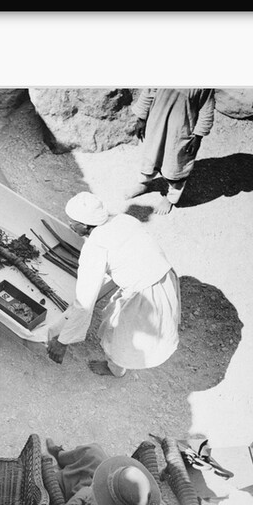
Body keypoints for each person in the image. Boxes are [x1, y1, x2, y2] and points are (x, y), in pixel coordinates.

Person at [46, 192, 181, 377]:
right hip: (165, 276)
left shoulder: (95, 248)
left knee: (121, 334)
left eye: (72, 222)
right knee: (135, 324)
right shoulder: (123, 219)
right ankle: (117, 365)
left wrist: (63, 341)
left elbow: (84, 303)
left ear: (85, 225)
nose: (70, 225)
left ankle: (116, 368)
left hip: (145, 292)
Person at [126, 88, 215, 215]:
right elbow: (150, 91)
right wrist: (141, 119)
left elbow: (206, 108)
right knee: (150, 155)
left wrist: (198, 136)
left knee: (176, 164)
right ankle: (144, 183)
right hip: (156, 122)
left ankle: (171, 198)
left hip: (181, 130)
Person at [45, 438, 168, 505]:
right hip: (106, 493)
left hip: (84, 495)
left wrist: (86, 491)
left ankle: (61, 458)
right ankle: (61, 455)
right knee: (94, 453)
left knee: (66, 477)